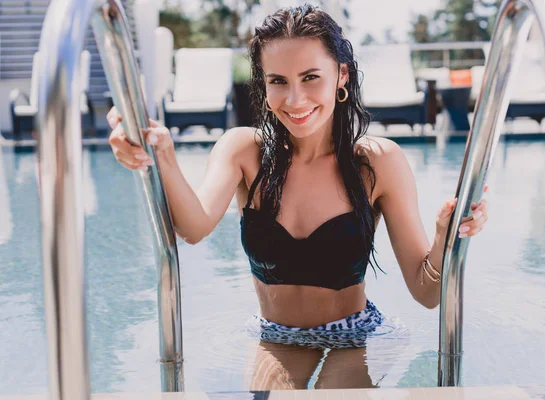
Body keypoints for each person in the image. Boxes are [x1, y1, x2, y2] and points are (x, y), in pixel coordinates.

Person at [106, 5, 489, 390]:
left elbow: (426, 293)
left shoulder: (376, 163)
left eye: (310, 78)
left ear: (341, 75)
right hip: (277, 336)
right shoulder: (243, 151)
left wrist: (445, 236)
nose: (295, 99)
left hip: (356, 335)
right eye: (278, 81)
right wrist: (160, 154)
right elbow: (192, 227)